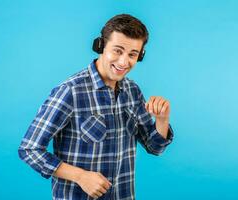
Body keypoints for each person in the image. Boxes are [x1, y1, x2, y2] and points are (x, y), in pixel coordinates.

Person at [18, 14, 174, 200]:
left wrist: (162, 119)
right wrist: (80, 176)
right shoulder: (70, 91)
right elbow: (29, 149)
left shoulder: (132, 91)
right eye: (118, 50)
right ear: (100, 46)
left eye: (132, 54)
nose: (124, 62)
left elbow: (155, 147)